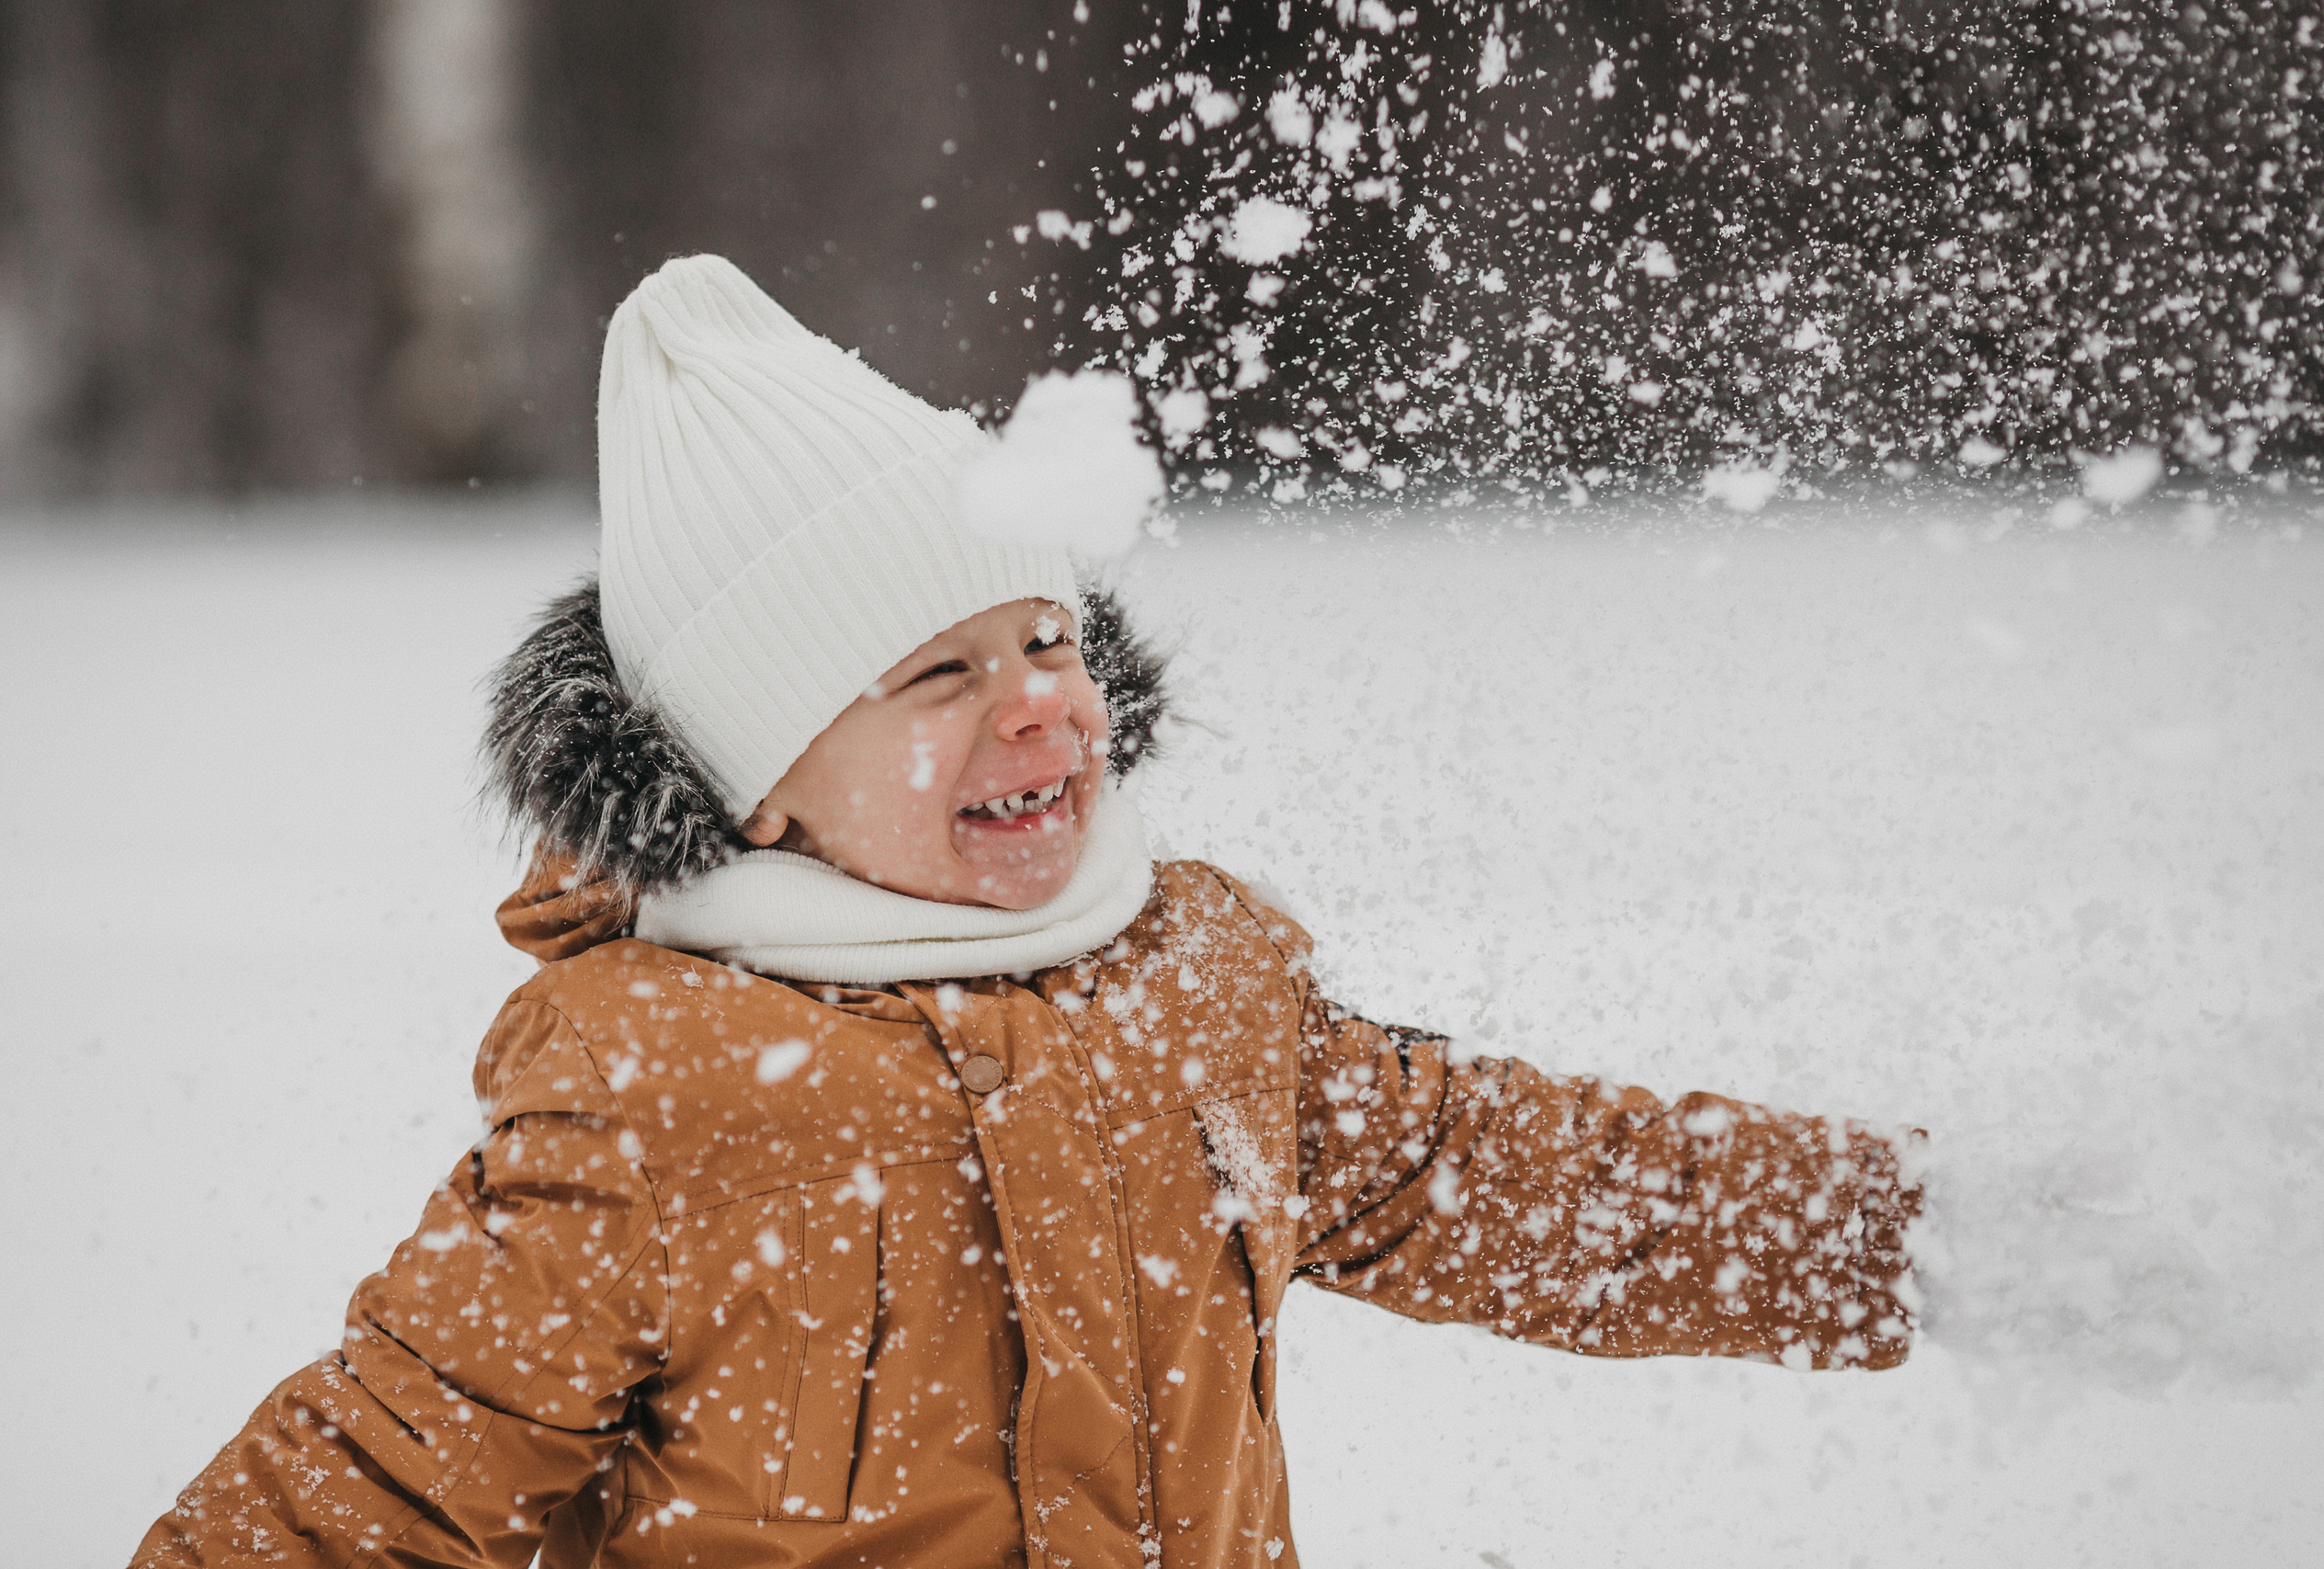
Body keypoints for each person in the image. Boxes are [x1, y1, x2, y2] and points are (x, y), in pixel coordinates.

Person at [133, 256, 1921, 1569]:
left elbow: (1513, 1172)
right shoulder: (659, 1082)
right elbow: (389, 1462)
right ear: (765, 783)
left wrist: (1889, 1234)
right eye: (937, 672)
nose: (1042, 704)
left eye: (1050, 639)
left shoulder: (1196, 972)